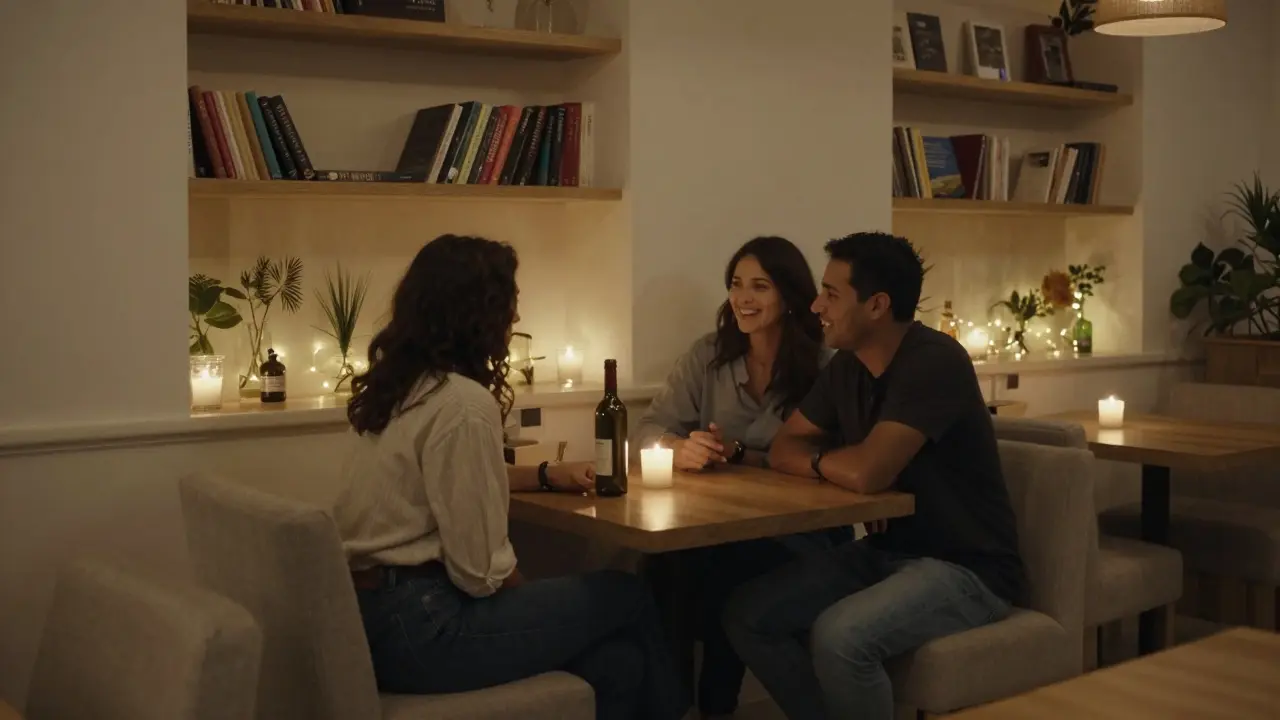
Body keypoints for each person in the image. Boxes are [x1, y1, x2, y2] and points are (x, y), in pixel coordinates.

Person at [334, 234, 687, 720]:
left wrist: (542, 474)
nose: (515, 319)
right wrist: (539, 603)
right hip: (426, 630)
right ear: (478, 312)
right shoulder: (462, 403)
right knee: (626, 593)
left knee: (617, 663)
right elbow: (482, 572)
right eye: (509, 304)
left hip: (370, 623)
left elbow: (449, 479)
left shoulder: (401, 388)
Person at [722, 231, 1028, 720]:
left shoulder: (935, 362)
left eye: (832, 294)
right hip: (887, 551)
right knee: (748, 614)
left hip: (967, 568)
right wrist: (841, 463)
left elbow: (867, 472)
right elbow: (785, 446)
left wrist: (831, 463)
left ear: (877, 305)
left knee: (840, 636)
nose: (817, 305)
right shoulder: (848, 366)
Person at [632, 235, 843, 718]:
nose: (743, 299)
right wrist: (677, 448)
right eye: (736, 285)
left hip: (800, 531)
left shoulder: (825, 367)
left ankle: (710, 704)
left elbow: (835, 460)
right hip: (720, 524)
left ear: (789, 296)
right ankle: (679, 705)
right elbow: (648, 429)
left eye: (760, 287)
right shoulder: (709, 356)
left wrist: (742, 453)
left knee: (721, 568)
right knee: (664, 562)